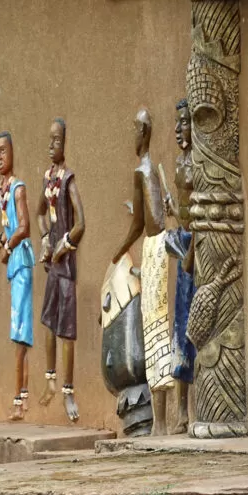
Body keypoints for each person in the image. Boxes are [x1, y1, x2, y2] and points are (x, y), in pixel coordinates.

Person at [113, 108, 175, 436]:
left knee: (154, 330)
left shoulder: (142, 171)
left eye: (135, 129)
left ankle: (161, 423)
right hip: (159, 247)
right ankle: (166, 421)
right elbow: (153, 212)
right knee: (159, 328)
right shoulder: (150, 173)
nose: (133, 135)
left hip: (154, 248)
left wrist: (118, 251)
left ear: (143, 132)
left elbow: (144, 221)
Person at [37, 118, 86, 422]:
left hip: (65, 265)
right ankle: (50, 381)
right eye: (50, 140)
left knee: (67, 330)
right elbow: (41, 213)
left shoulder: (68, 180)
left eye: (56, 141)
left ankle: (68, 391)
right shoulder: (48, 179)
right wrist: (44, 238)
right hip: (52, 265)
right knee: (49, 323)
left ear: (64, 144)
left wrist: (64, 243)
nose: (51, 145)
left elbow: (81, 223)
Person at [0, 131, 35, 421]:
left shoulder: (18, 189)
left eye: (3, 151)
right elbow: (10, 226)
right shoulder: (2, 190)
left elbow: (24, 227)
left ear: (13, 154)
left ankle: (21, 398)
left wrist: (7, 246)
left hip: (21, 263)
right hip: (13, 263)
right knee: (17, 331)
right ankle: (20, 396)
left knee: (20, 333)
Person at [163, 98, 198, 434]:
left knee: (198, 324)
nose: (178, 128)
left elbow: (202, 210)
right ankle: (181, 411)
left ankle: (199, 409)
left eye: (183, 122)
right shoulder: (178, 162)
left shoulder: (201, 164)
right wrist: (172, 206)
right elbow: (184, 209)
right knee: (181, 327)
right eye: (176, 122)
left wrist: (191, 254)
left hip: (198, 249)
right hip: (183, 241)